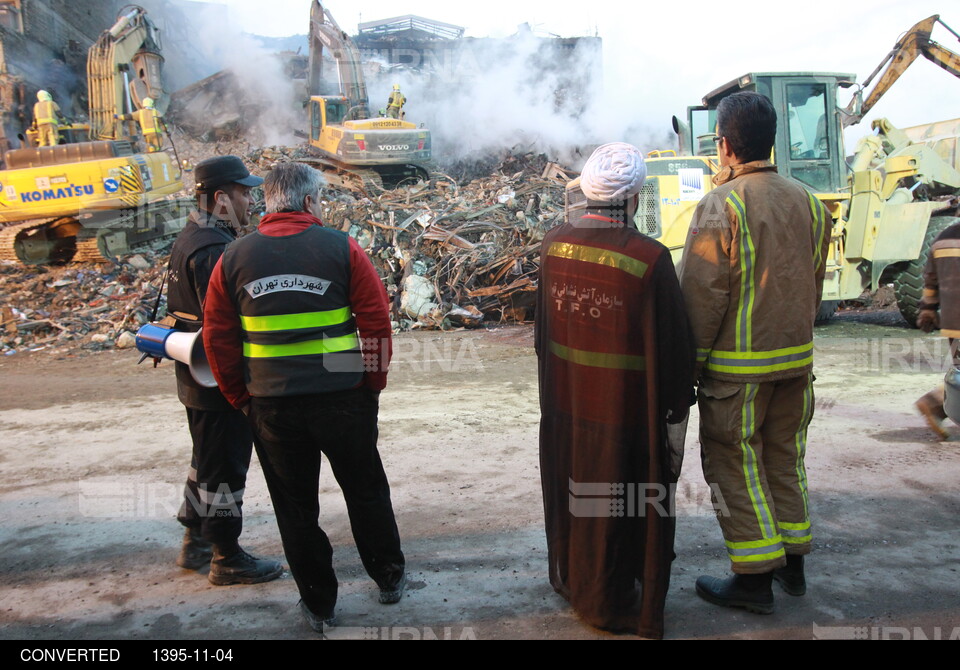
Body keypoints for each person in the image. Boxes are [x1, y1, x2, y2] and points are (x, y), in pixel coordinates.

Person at [201, 162, 405, 634]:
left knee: (295, 508)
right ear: (310, 202)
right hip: (344, 399)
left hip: (272, 406)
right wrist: (372, 384)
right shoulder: (342, 247)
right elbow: (375, 323)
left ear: (270, 202)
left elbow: (219, 338)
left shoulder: (233, 258)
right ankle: (389, 577)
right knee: (365, 489)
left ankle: (318, 605)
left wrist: (241, 397)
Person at [535, 142, 696, 639]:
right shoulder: (649, 258)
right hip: (624, 414)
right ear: (633, 197)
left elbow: (543, 334)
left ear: (587, 192)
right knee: (622, 503)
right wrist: (676, 403)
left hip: (567, 405)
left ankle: (581, 582)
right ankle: (611, 599)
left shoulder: (553, 245)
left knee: (577, 493)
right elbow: (674, 348)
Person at [679, 91, 832, 613]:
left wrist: (688, 370)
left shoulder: (721, 205)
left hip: (736, 376)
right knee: (785, 461)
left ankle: (752, 579)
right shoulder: (811, 202)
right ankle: (793, 564)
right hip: (796, 365)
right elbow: (811, 285)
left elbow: (701, 299)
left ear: (723, 145)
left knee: (735, 466)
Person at [166, 155, 283, 586]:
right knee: (225, 471)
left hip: (196, 377)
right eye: (244, 192)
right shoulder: (215, 250)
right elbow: (226, 324)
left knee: (206, 461)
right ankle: (226, 555)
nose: (251, 200)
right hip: (217, 382)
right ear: (220, 198)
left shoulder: (192, 238)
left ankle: (196, 541)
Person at [914, 221, 960, 439]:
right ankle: (935, 403)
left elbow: (930, 281)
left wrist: (928, 310)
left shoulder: (942, 238)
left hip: (953, 323)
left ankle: (937, 405)